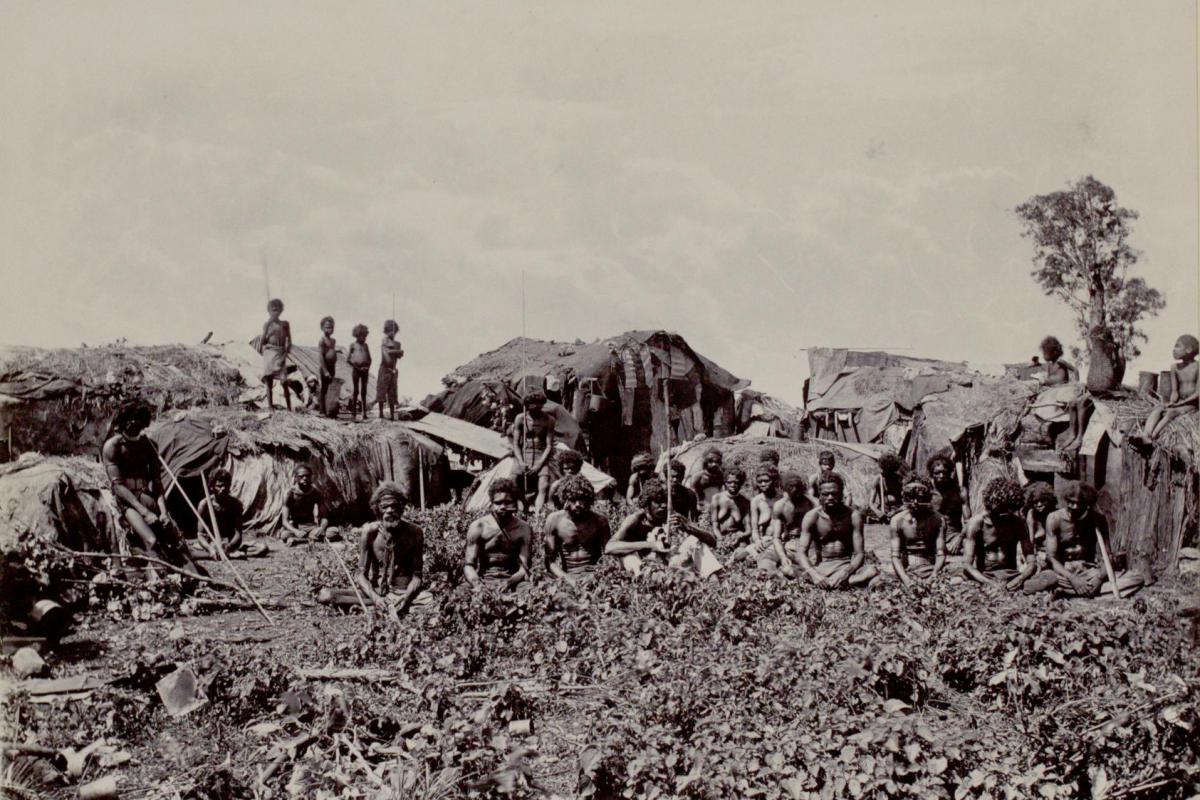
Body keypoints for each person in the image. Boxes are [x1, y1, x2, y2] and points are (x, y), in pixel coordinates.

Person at [101, 401, 203, 574]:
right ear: (122, 421)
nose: (133, 423)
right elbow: (117, 486)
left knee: (176, 541)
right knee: (151, 540)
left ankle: (192, 576)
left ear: (143, 421)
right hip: (127, 502)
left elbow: (157, 482)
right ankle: (162, 577)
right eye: (129, 419)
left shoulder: (149, 446)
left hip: (147, 496)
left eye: (137, 419)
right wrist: (144, 512)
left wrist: (163, 512)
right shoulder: (113, 447)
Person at [317, 483, 428, 620]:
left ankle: (393, 605)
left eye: (394, 506)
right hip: (376, 591)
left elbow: (417, 576)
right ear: (377, 510)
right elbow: (360, 575)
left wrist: (407, 597)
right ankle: (381, 605)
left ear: (401, 508)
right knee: (326, 595)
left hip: (403, 591)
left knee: (430, 601)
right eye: (384, 507)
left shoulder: (415, 533)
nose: (389, 511)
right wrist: (376, 599)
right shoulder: (370, 533)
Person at [1022, 482, 1144, 598]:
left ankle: (1073, 591)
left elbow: (1107, 556)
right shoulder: (1054, 519)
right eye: (1070, 502)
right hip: (1064, 572)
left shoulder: (1098, 520)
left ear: (1087, 503)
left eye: (1078, 503)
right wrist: (1073, 579)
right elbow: (1051, 558)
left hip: (1088, 571)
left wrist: (1099, 579)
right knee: (1038, 583)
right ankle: (1088, 591)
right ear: (1066, 501)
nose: (1074, 507)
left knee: (1136, 578)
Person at [608, 477, 719, 576]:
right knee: (628, 557)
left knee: (694, 541)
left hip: (667, 564)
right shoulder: (635, 520)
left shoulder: (671, 516)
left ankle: (714, 581)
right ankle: (644, 585)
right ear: (647, 503)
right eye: (658, 501)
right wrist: (650, 545)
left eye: (666, 501)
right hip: (644, 565)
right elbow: (610, 547)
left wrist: (689, 526)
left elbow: (713, 541)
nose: (664, 506)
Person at [795, 473, 878, 588]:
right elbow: (801, 552)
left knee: (872, 571)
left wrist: (846, 572)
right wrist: (814, 574)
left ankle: (834, 583)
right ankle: (843, 583)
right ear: (819, 495)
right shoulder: (812, 517)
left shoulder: (853, 516)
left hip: (845, 566)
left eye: (834, 493)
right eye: (825, 494)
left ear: (841, 494)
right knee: (788, 569)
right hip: (821, 567)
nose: (830, 497)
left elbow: (859, 554)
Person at [961, 478, 1037, 592]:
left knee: (1049, 576)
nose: (1005, 514)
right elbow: (967, 564)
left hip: (1012, 575)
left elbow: (1031, 560)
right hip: (985, 575)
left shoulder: (1018, 522)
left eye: (1008, 510)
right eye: (1001, 511)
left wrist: (1020, 578)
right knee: (958, 580)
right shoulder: (976, 523)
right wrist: (989, 583)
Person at [464, 478, 532, 592]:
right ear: (491, 503)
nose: (503, 507)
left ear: (514, 503)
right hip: (484, 579)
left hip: (513, 581)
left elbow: (524, 568)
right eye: (498, 503)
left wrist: (510, 582)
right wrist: (478, 585)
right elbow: (469, 565)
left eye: (507, 502)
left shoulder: (523, 528)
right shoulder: (479, 526)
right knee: (459, 594)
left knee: (533, 594)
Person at [544, 475, 611, 585]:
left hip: (594, 574)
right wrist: (567, 578)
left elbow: (609, 556)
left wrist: (596, 575)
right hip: (567, 575)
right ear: (565, 499)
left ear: (589, 500)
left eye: (582, 500)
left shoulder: (600, 521)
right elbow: (549, 561)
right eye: (573, 499)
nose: (578, 504)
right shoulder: (554, 520)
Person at [196, 469, 268, 558]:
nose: (223, 489)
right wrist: (210, 548)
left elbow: (238, 534)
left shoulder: (236, 505)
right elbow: (200, 535)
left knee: (262, 548)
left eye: (226, 485)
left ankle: (227, 554)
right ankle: (218, 554)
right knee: (189, 552)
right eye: (219, 486)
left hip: (229, 543)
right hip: (211, 543)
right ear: (211, 487)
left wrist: (229, 546)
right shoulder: (204, 505)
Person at [1138, 334, 1199, 442]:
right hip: (1179, 402)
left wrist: (1180, 404)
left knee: (1171, 413)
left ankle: (1153, 437)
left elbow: (1198, 393)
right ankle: (1146, 434)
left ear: (1189, 349)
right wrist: (1171, 402)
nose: (1174, 350)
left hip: (1191, 405)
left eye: (1177, 346)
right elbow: (1175, 391)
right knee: (1159, 409)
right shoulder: (1174, 368)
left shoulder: (1198, 367)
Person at [889, 479, 946, 587]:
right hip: (906, 569)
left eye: (919, 498)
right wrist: (906, 579)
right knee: (879, 581)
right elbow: (895, 556)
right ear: (905, 498)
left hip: (930, 567)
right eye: (911, 498)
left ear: (927, 498)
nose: (915, 502)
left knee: (958, 578)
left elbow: (941, 554)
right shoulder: (897, 520)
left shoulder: (937, 520)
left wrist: (933, 576)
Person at [511, 392, 556, 512]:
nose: (536, 408)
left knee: (544, 484)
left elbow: (549, 446)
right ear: (527, 405)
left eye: (539, 405)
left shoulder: (549, 420)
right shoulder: (520, 418)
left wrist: (539, 465)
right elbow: (515, 444)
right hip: (524, 454)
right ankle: (520, 509)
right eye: (532, 406)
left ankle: (538, 515)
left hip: (541, 455)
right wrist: (520, 462)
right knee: (513, 479)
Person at [280, 465, 334, 545]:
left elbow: (324, 516)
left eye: (307, 476)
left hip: (311, 527)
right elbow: (284, 521)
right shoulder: (289, 494)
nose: (305, 478)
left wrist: (322, 528)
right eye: (301, 476)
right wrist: (296, 531)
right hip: (295, 527)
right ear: (295, 478)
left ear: (311, 477)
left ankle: (301, 540)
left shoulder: (316, 493)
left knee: (333, 531)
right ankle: (309, 538)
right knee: (284, 534)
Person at [927, 454, 968, 554]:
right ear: (931, 474)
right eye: (937, 473)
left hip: (953, 534)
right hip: (932, 534)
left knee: (971, 547)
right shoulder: (927, 491)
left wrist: (960, 538)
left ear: (950, 472)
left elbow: (968, 521)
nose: (941, 476)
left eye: (944, 472)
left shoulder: (960, 491)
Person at [257, 298, 293, 412]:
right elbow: (262, 342)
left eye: (277, 310)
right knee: (269, 380)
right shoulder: (266, 324)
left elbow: (290, 340)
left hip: (280, 353)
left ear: (281, 310)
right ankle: (270, 407)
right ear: (269, 311)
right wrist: (267, 327)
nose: (275, 312)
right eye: (273, 310)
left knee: (284, 381)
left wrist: (287, 351)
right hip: (269, 353)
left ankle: (289, 407)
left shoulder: (285, 324)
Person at [708, 467, 751, 544]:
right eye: (729, 482)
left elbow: (748, 529)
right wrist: (720, 539)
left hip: (737, 538)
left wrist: (740, 536)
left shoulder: (745, 502)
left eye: (736, 482)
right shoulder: (717, 498)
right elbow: (714, 525)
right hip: (718, 536)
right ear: (725, 482)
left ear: (741, 483)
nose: (733, 485)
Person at [377, 319, 404, 421]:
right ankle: (380, 413)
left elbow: (400, 355)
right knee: (382, 392)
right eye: (390, 330)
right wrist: (397, 351)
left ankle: (392, 415)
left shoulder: (397, 343)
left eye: (394, 331)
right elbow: (386, 355)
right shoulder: (384, 340)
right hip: (384, 369)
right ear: (386, 330)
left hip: (393, 370)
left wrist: (398, 351)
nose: (392, 333)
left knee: (392, 393)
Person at [1024, 481, 1058, 563]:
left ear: (1049, 499)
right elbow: (1030, 543)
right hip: (1038, 555)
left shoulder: (1055, 514)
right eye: (1035, 502)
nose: (1039, 504)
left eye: (1042, 501)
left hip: (1055, 555)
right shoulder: (1032, 515)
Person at [685, 448, 725, 513]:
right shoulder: (698, 476)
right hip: (701, 506)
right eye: (711, 462)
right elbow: (692, 494)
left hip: (717, 505)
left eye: (717, 462)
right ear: (705, 462)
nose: (714, 464)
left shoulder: (721, 475)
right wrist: (699, 505)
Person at [870, 451, 906, 521]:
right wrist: (877, 512)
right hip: (884, 512)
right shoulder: (878, 479)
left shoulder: (899, 479)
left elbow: (905, 501)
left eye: (890, 471)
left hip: (898, 510)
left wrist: (897, 511)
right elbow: (871, 503)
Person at [347, 324, 372, 420]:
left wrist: (367, 367)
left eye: (365, 336)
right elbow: (348, 359)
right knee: (356, 391)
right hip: (356, 370)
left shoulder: (366, 346)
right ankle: (353, 414)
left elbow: (370, 359)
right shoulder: (353, 345)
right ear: (357, 335)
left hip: (365, 371)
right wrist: (358, 368)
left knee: (364, 391)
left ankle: (364, 413)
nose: (364, 338)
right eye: (362, 336)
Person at [317, 316, 337, 418]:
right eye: (327, 327)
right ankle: (322, 411)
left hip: (332, 367)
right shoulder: (322, 340)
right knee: (324, 389)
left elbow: (330, 351)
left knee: (331, 389)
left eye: (331, 327)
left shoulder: (333, 340)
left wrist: (335, 352)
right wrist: (325, 371)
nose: (329, 329)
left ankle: (330, 410)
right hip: (325, 367)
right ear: (322, 328)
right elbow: (321, 356)